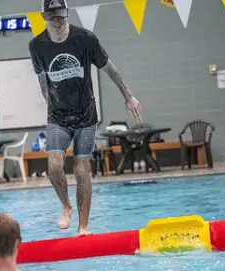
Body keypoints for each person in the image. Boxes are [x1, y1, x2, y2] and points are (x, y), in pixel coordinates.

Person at [28, 0, 142, 236]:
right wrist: (49, 106)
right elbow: (42, 78)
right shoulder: (37, 45)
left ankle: (83, 226)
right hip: (58, 116)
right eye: (54, 17)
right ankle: (65, 206)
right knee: (54, 165)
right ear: (44, 17)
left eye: (62, 16)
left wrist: (128, 95)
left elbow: (110, 68)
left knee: (81, 168)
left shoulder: (85, 39)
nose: (59, 22)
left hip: (86, 115)